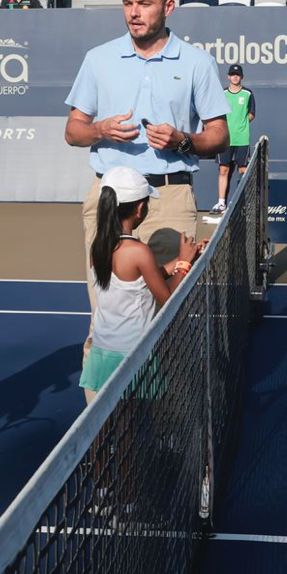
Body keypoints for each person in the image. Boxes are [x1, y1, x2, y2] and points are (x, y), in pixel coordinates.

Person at [64, 0, 230, 366]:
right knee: (106, 320)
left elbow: (219, 138)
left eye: (144, 3)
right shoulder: (98, 59)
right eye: (127, 3)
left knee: (166, 317)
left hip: (171, 196)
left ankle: (161, 422)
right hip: (108, 202)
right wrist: (100, 129)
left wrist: (182, 140)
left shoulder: (197, 63)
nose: (134, 12)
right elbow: (73, 131)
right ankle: (101, 427)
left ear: (168, 6)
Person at [81, 166, 204, 403]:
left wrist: (183, 258)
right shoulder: (139, 251)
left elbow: (141, 278)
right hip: (133, 356)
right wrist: (185, 264)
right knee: (134, 422)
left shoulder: (98, 246)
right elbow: (168, 302)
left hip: (103, 353)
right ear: (140, 208)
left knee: (109, 425)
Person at [210, 64, 256, 214]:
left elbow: (251, 114)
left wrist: (240, 126)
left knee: (243, 170)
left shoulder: (248, 94)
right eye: (232, 74)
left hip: (242, 139)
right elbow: (216, 113)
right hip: (225, 139)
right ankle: (221, 203)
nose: (235, 77)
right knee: (223, 169)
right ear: (228, 77)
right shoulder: (222, 93)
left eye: (238, 75)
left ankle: (244, 203)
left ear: (241, 77)